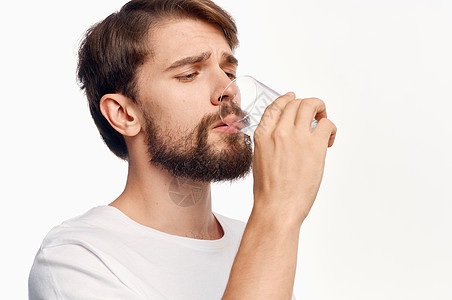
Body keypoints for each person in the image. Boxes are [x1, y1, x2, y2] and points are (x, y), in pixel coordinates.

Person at [28, 0, 337, 299]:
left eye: (229, 73)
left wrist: (273, 222)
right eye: (189, 74)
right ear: (123, 114)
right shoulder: (78, 258)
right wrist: (276, 210)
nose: (228, 91)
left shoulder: (253, 240)